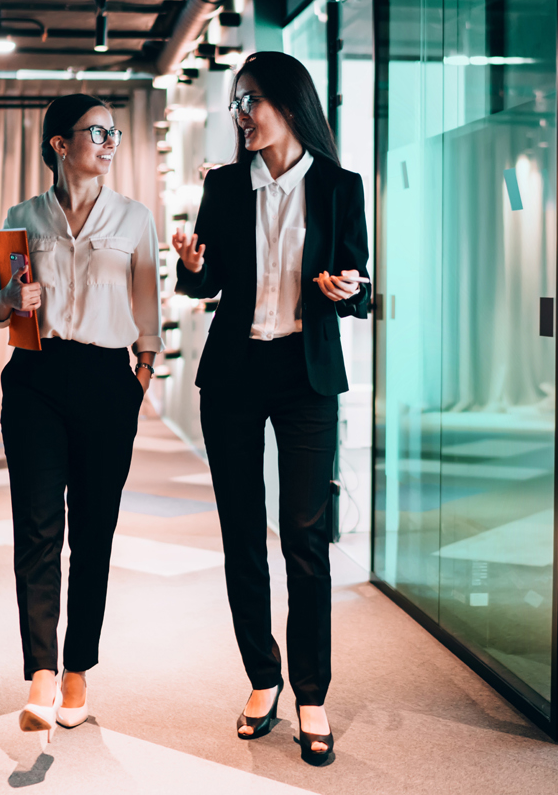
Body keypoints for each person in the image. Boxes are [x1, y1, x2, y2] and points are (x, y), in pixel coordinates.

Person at [171, 51, 370, 766]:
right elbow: (205, 283)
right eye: (235, 104)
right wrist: (192, 267)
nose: (242, 115)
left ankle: (310, 692)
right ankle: (262, 678)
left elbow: (361, 282)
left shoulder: (341, 187)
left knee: (305, 537)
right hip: (233, 371)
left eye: (250, 100)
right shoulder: (224, 186)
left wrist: (350, 290)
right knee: (238, 535)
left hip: (305, 372)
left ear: (289, 102)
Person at [0, 93, 161, 740]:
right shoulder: (23, 217)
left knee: (93, 532)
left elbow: (149, 310)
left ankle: (78, 667)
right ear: (60, 143)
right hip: (36, 378)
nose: (110, 142)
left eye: (115, 132)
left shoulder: (135, 218)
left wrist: (139, 378)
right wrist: (8, 295)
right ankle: (40, 674)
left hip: (109, 380)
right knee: (35, 526)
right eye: (96, 131)